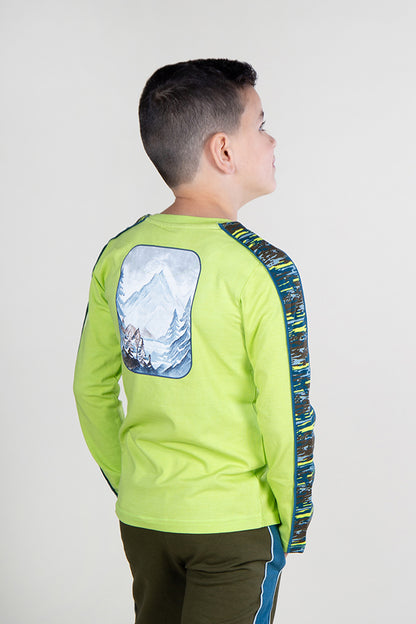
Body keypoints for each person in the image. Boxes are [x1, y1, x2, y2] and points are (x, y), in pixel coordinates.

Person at [73, 58, 315, 624]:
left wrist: (135, 483)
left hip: (145, 518)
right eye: (261, 124)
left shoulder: (119, 252)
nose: (272, 139)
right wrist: (291, 522)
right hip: (235, 525)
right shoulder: (263, 269)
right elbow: (286, 411)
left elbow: (90, 389)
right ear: (223, 150)